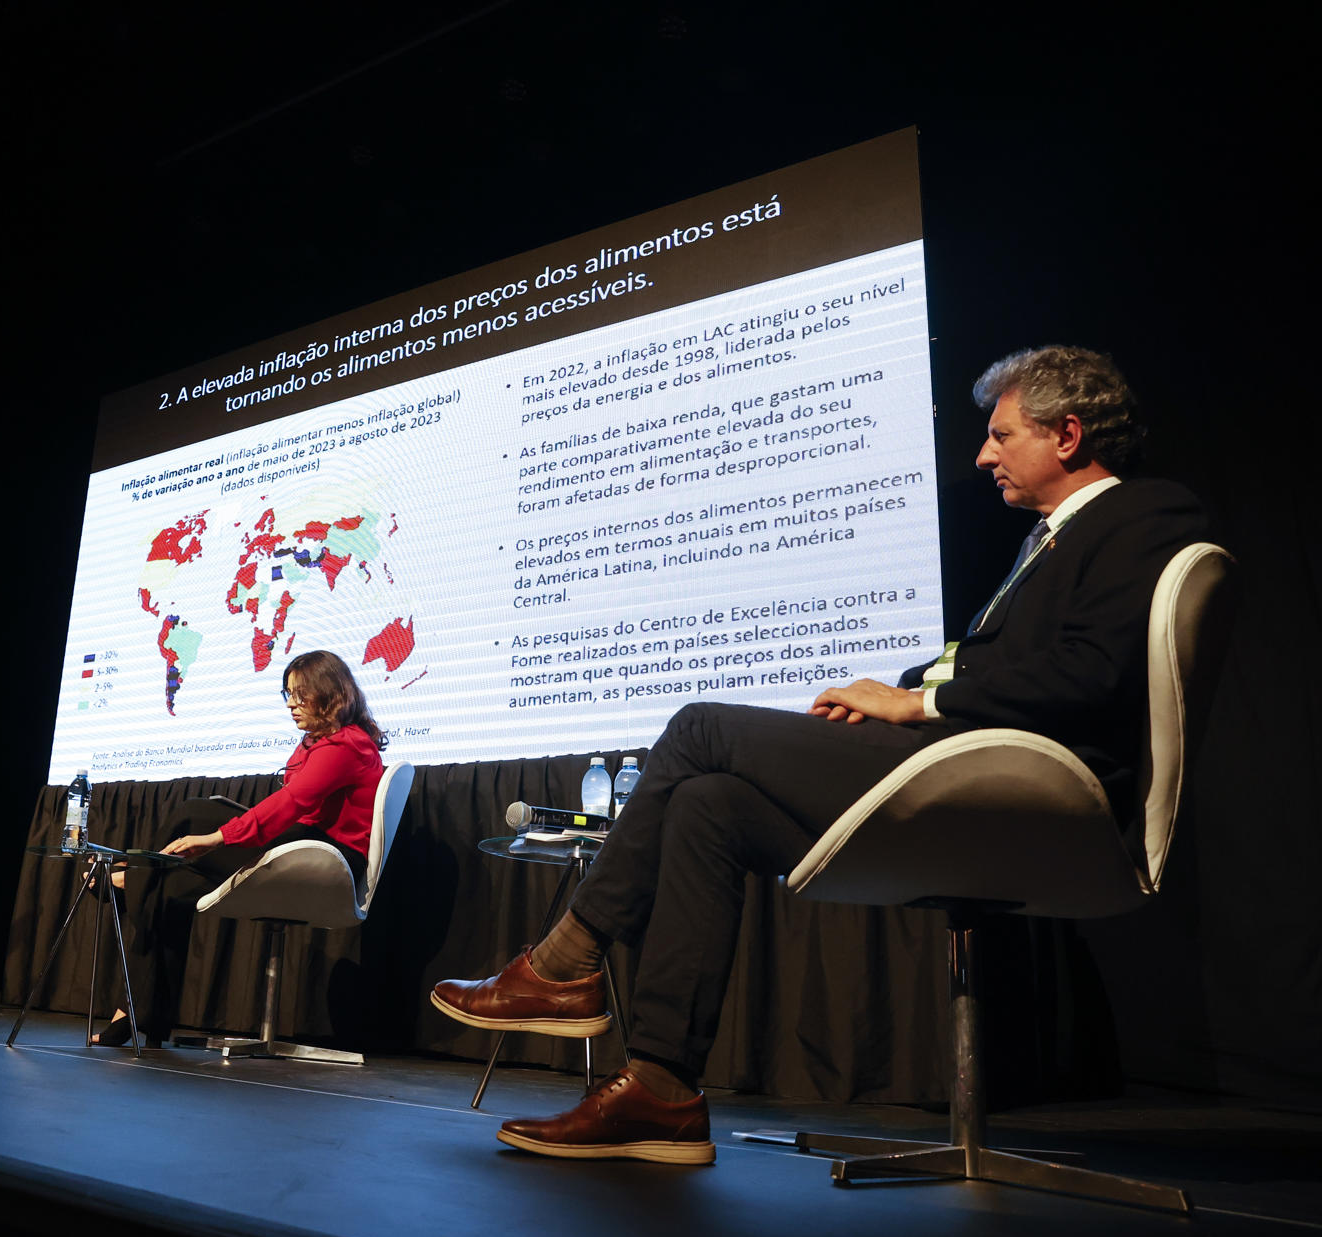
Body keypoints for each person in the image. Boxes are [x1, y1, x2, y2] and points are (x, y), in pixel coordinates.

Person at [431, 346, 1210, 1164]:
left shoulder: (1142, 516)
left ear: (1068, 434)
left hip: (1036, 798)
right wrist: (899, 692)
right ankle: (660, 1091)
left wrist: (918, 703)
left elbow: (1093, 673)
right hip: (969, 768)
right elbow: (1003, 665)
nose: (983, 454)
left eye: (1000, 434)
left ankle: (564, 962)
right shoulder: (1046, 545)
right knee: (708, 806)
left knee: (699, 727)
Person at [92, 649, 386, 1047]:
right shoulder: (318, 744)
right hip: (305, 848)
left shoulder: (347, 746)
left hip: (326, 861)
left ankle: (133, 873)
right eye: (287, 695)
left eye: (301, 695)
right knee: (167, 894)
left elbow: (292, 804)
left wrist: (217, 837)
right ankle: (141, 1014)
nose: (291, 705)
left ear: (331, 694)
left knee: (197, 814)